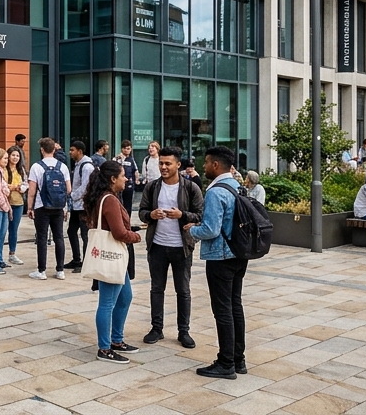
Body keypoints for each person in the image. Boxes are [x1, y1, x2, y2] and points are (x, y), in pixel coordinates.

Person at [185, 146, 248, 379]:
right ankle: (239, 359)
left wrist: (192, 230)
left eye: (206, 162)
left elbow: (210, 229)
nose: (203, 166)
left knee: (222, 310)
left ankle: (226, 363)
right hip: (239, 254)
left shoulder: (215, 191)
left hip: (221, 257)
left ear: (215, 165)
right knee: (235, 307)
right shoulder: (237, 186)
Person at [139, 147, 203, 349]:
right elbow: (142, 212)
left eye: (168, 163)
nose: (164, 167)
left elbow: (200, 215)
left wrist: (182, 215)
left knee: (183, 290)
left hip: (181, 247)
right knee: (157, 288)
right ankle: (156, 328)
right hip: (157, 245)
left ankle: (184, 331)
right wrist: (151, 215)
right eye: (161, 163)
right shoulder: (152, 187)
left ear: (178, 165)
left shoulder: (191, 188)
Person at [86, 162, 143, 362]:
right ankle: (104, 348)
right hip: (110, 258)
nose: (126, 179)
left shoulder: (107, 197)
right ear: (112, 179)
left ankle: (116, 340)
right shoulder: (109, 199)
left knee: (125, 297)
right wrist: (135, 236)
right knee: (107, 303)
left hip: (116, 259)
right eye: (122, 176)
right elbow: (118, 233)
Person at [26, 137, 71, 281]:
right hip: (58, 206)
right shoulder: (62, 166)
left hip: (41, 206)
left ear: (42, 150)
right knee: (59, 237)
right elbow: (68, 189)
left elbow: (32, 191)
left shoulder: (36, 167)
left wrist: (29, 208)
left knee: (42, 238)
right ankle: (60, 270)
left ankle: (42, 270)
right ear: (54, 149)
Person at [64, 141, 96, 273]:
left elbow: (85, 187)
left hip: (84, 206)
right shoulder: (78, 165)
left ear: (80, 151)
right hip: (77, 206)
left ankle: (86, 263)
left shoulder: (87, 166)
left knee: (85, 234)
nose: (70, 152)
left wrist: (73, 195)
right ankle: (76, 259)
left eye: (72, 150)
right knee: (71, 231)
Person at [4, 148, 28, 267]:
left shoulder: (21, 170)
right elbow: (2, 185)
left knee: (14, 230)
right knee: (2, 230)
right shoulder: (3, 169)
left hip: (18, 203)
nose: (15, 158)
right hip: (5, 203)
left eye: (17, 156)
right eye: (13, 155)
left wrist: (21, 188)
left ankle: (12, 253)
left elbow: (25, 184)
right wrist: (14, 187)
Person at [116, 141, 139, 216]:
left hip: (129, 184)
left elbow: (135, 170)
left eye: (129, 148)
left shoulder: (131, 159)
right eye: (125, 148)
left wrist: (137, 180)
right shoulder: (117, 159)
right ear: (122, 149)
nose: (127, 150)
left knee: (128, 204)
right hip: (119, 185)